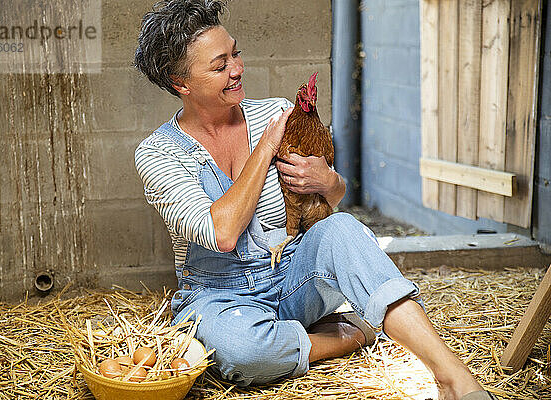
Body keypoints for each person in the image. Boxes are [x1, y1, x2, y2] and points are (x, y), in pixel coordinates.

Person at [133, 1, 495, 399]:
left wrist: (329, 180)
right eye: (219, 66)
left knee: (342, 229)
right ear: (180, 83)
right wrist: (265, 147)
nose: (236, 69)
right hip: (219, 294)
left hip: (290, 274)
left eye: (235, 53)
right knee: (242, 352)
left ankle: (453, 379)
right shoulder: (159, 152)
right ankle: (355, 332)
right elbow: (222, 233)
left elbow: (333, 201)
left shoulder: (277, 112)